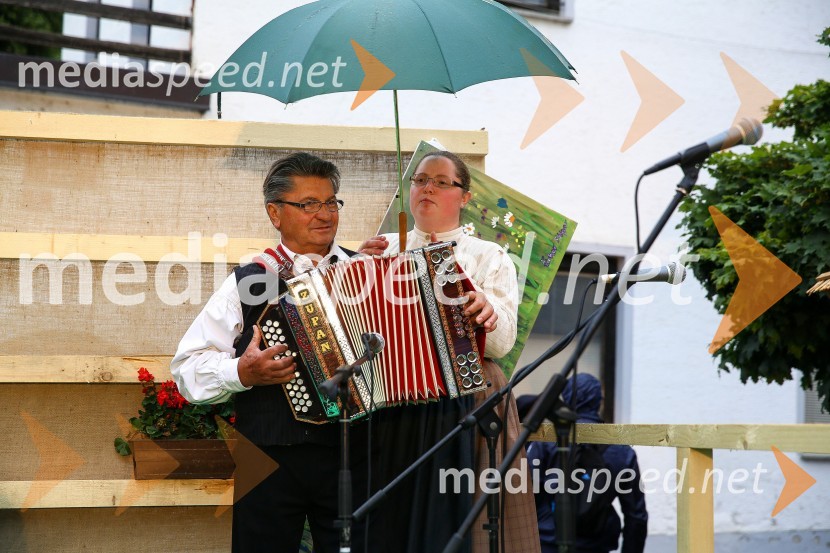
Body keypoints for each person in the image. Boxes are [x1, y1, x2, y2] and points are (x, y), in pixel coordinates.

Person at [170, 152, 371, 553]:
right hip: (268, 458)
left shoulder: (366, 271)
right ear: (275, 214)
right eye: (309, 204)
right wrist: (242, 374)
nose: (325, 214)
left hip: (355, 454)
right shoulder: (251, 280)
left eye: (331, 202)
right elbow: (187, 370)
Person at [360, 150, 540, 553]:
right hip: (392, 397)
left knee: (458, 519)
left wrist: (483, 312)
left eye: (442, 181)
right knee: (388, 519)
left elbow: (502, 343)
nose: (428, 187)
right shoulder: (381, 248)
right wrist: (356, 274)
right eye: (421, 179)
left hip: (463, 398)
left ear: (464, 196)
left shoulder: (486, 256)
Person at [516, 374, 648, 553]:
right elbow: (636, 516)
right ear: (599, 402)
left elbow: (527, 495)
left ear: (567, 399)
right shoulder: (622, 451)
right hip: (596, 544)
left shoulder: (545, 441)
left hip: (548, 542)